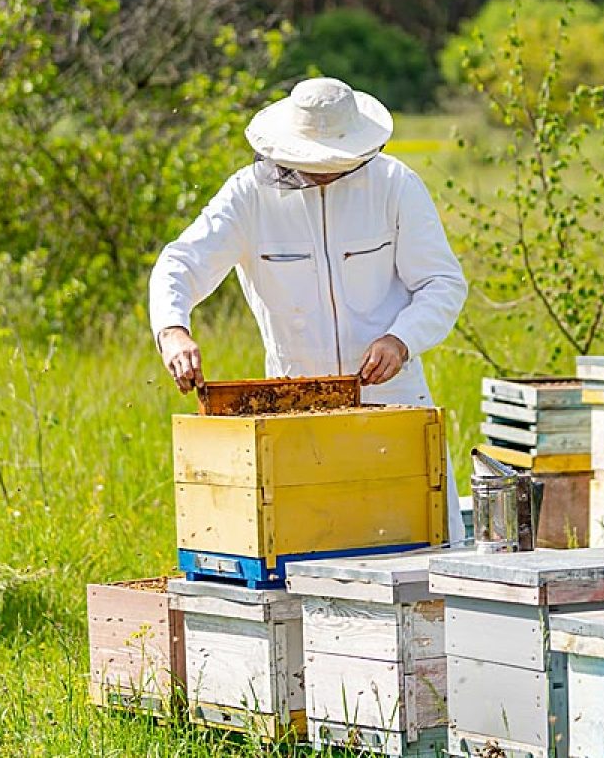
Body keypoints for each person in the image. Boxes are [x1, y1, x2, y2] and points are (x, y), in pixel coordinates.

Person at [148, 77, 468, 542]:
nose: (324, 172)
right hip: (295, 408)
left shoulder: (395, 185)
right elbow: (180, 263)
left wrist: (401, 340)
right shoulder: (248, 196)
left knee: (419, 548)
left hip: (393, 398)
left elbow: (442, 283)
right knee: (312, 551)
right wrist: (173, 330)